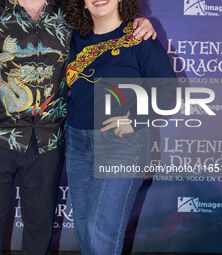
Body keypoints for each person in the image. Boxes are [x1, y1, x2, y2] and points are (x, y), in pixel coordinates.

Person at [0, 0, 156, 254]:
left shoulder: (70, 12)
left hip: (48, 141)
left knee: (40, 236)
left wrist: (138, 23)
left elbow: (107, 25)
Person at [65, 0, 177, 254]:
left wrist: (134, 119)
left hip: (122, 144)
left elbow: (169, 91)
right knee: (84, 230)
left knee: (100, 231)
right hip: (77, 143)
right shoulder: (73, 38)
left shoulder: (139, 36)